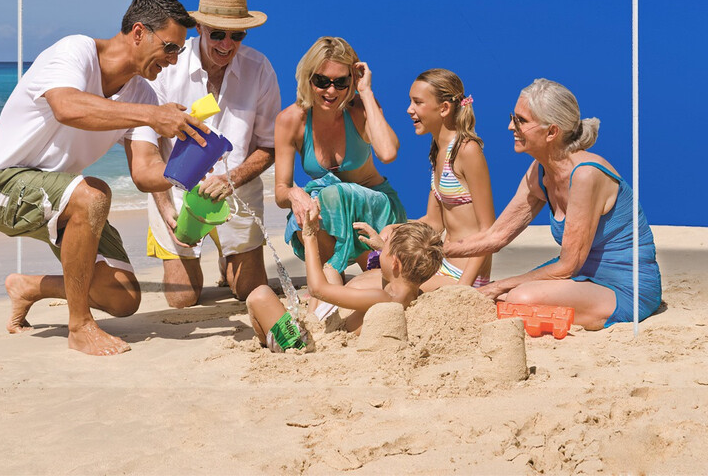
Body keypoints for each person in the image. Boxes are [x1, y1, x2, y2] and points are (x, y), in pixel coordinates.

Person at [0, 0, 209, 356]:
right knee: (93, 194)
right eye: (170, 47)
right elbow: (67, 107)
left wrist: (191, 171)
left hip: (63, 196)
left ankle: (29, 286)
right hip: (4, 188)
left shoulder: (143, 94)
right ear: (139, 32)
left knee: (123, 298)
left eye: (178, 51)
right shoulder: (76, 51)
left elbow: (145, 173)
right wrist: (153, 116)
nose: (174, 61)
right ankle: (79, 326)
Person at [443, 78, 662, 330]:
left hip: (624, 285)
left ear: (551, 132)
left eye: (520, 121)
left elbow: (569, 265)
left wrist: (500, 285)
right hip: (581, 278)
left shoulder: (586, 174)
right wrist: (439, 250)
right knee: (506, 298)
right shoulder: (539, 171)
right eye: (513, 117)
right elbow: (496, 235)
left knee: (517, 298)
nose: (510, 126)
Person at [147, 0, 280, 306]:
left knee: (247, 291)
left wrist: (231, 179)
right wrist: (164, 205)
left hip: (237, 191)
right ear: (200, 28)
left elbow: (269, 146)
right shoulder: (167, 66)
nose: (227, 44)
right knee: (183, 300)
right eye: (218, 33)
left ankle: (231, 260)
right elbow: (145, 144)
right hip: (176, 192)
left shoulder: (259, 68)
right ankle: (218, 257)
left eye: (237, 36)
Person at [275, 36, 407, 288]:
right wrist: (294, 193)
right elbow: (280, 192)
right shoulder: (291, 120)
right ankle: (331, 282)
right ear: (308, 78)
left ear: (352, 81)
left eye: (341, 82)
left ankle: (332, 279)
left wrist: (366, 92)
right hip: (332, 210)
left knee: (388, 284)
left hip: (376, 209)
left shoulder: (359, 109)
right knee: (307, 207)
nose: (331, 91)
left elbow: (388, 153)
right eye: (322, 81)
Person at [246, 200, 444, 349]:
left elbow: (317, 289)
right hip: (330, 325)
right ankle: (281, 333)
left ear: (395, 263)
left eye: (385, 250)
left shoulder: (383, 297)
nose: (380, 250)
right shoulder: (411, 292)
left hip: (304, 346)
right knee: (330, 271)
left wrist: (309, 237)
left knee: (259, 296)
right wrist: (385, 247)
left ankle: (279, 344)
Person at [406, 69, 495, 290]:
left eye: (418, 102)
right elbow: (434, 222)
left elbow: (488, 231)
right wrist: (392, 230)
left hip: (464, 276)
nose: (409, 110)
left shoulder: (467, 150)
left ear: (444, 108)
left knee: (386, 290)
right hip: (443, 266)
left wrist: (463, 289)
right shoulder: (438, 151)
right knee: (367, 281)